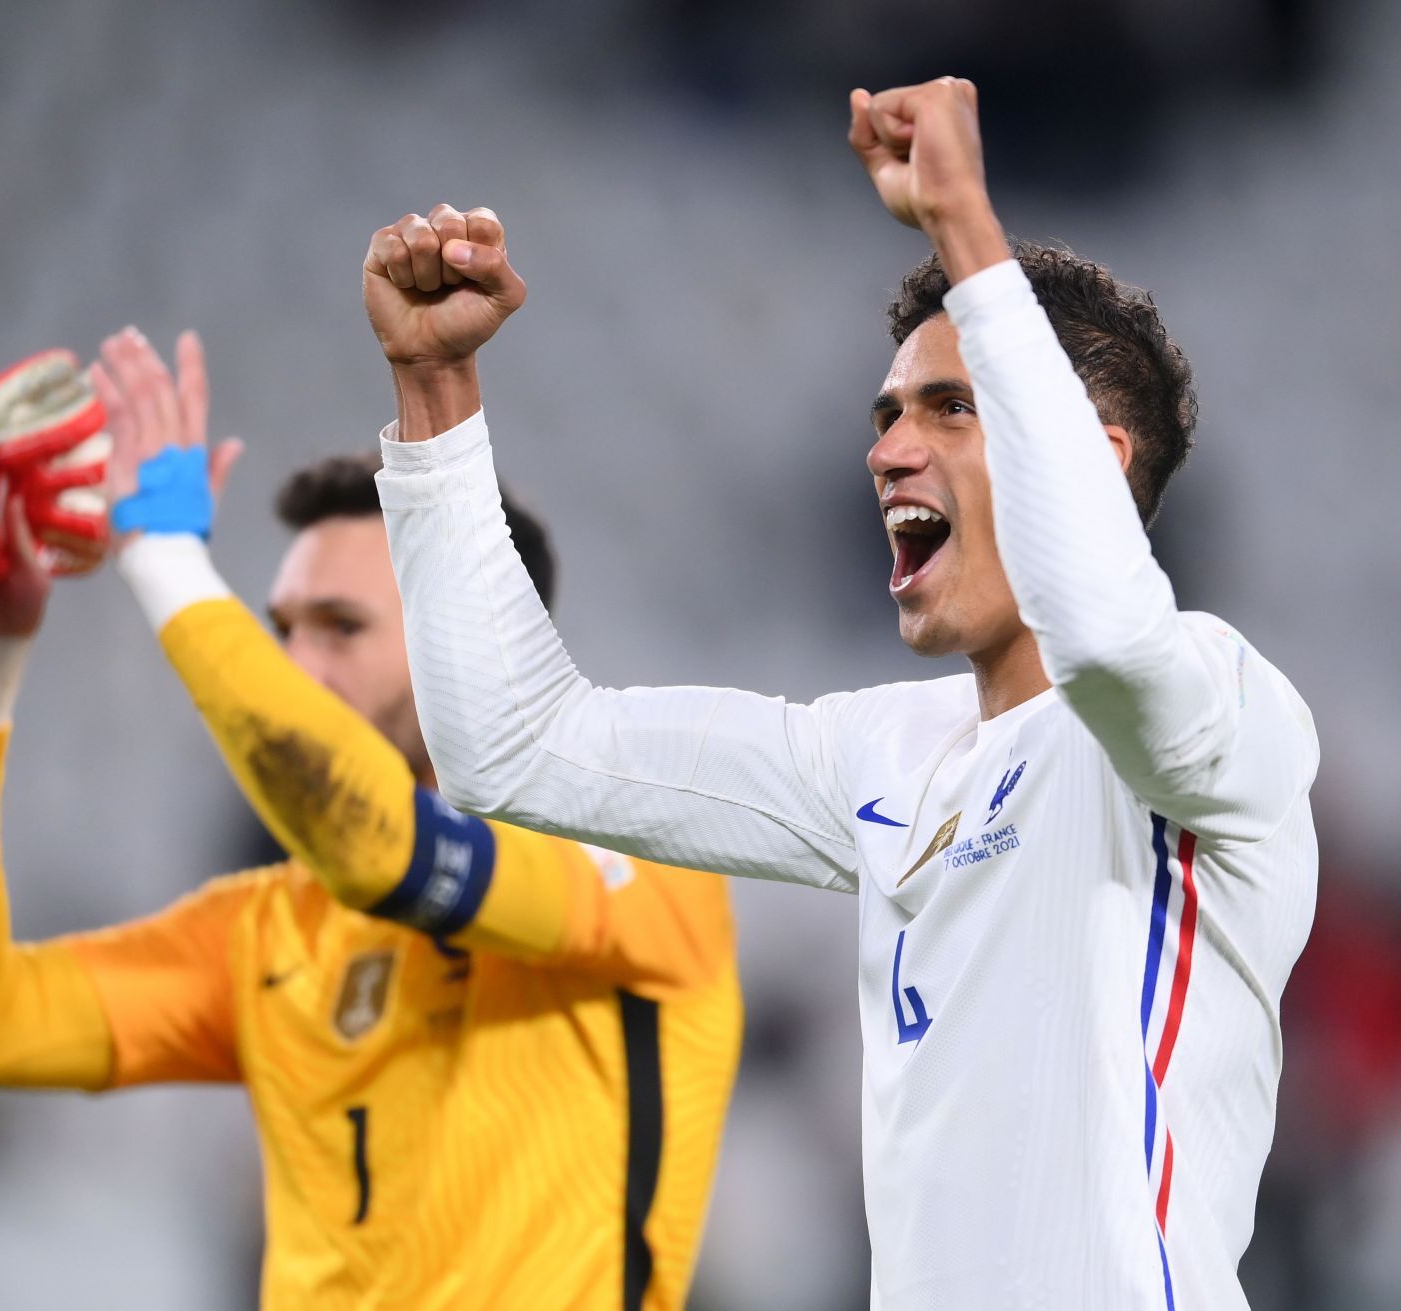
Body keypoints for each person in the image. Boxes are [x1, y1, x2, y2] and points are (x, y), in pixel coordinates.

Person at [362, 78, 1318, 1310]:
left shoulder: (1221, 717)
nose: (885, 448)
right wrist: (434, 396)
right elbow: (517, 748)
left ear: (1094, 455)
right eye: (884, 416)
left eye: (948, 408)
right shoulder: (886, 752)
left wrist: (966, 227)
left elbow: (1110, 640)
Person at [0, 328, 742, 1310]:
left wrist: (161, 554)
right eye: (281, 629)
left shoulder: (639, 855)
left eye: (342, 627)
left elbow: (382, 847)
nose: (295, 666)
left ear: (476, 647)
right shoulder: (270, 933)